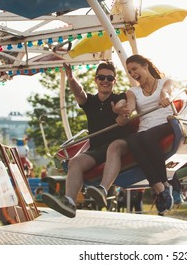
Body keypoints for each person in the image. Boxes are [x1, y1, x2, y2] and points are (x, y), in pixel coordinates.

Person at [116, 55, 187, 214]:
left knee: (149, 138)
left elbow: (166, 92)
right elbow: (130, 106)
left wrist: (165, 97)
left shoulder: (164, 82)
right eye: (129, 71)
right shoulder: (132, 91)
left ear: (145, 66)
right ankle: (161, 189)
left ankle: (186, 182)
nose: (132, 74)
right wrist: (123, 111)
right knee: (133, 140)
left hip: (167, 124)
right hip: (146, 129)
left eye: (135, 69)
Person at [42, 61, 130, 218]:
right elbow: (79, 93)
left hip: (118, 145)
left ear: (114, 81)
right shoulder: (90, 102)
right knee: (74, 162)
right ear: (95, 80)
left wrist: (121, 113)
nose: (105, 81)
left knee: (113, 148)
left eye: (109, 78)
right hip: (97, 149)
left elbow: (123, 106)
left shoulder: (119, 98)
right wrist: (70, 78)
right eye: (101, 77)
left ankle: (102, 189)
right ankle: (69, 202)